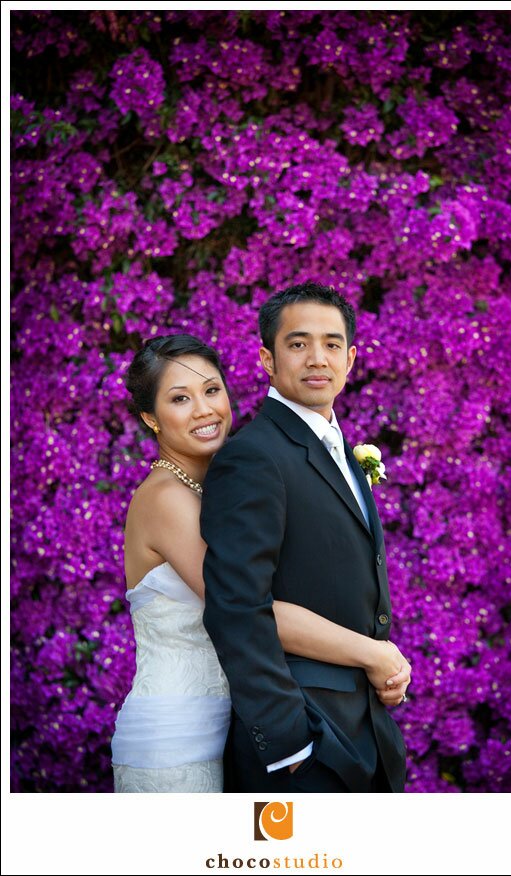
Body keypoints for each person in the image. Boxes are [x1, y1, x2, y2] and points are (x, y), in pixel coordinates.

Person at [111, 333, 409, 792]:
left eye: (212, 390)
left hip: (235, 728)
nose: (205, 410)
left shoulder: (219, 487)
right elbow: (247, 606)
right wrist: (374, 653)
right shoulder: (166, 500)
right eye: (180, 399)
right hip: (178, 739)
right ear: (150, 417)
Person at [201, 283, 410, 793]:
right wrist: (288, 744)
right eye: (297, 344)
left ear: (351, 358)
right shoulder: (252, 456)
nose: (318, 358)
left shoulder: (338, 446)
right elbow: (238, 606)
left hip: (365, 730)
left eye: (332, 344)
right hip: (305, 744)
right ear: (267, 359)